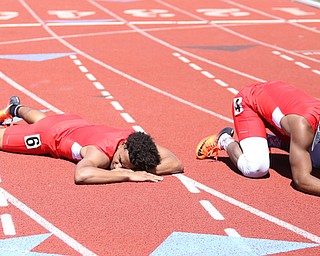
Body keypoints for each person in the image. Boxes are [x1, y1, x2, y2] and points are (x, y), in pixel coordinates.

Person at [0, 96, 184, 184]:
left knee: (41, 118)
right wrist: (127, 174)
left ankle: (15, 108)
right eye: (119, 161)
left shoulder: (136, 141)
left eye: (126, 166)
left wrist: (145, 169)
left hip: (71, 121)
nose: (117, 166)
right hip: (48, 134)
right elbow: (81, 175)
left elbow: (176, 163)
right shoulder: (101, 154)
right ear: (122, 146)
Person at [196, 80, 320, 196]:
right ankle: (224, 140)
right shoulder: (303, 125)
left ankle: (271, 140)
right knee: (256, 168)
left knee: (316, 161)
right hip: (249, 102)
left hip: (279, 103)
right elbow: (301, 179)